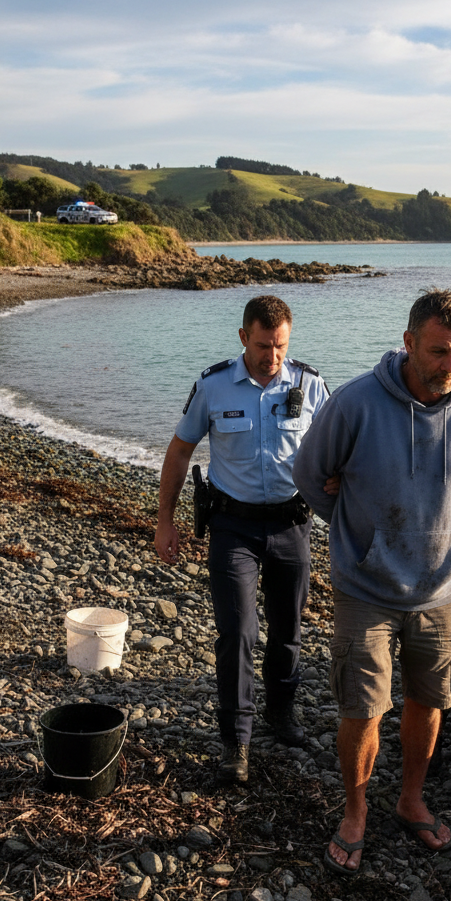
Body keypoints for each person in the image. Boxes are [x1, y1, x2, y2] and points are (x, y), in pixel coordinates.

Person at [292, 288, 451, 876]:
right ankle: (356, 811)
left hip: (443, 590)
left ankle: (411, 797)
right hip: (366, 588)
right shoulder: (356, 403)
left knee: (429, 701)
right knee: (362, 710)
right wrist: (356, 535)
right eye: (439, 352)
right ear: (408, 342)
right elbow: (310, 474)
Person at [154, 295, 329, 786]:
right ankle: (237, 739)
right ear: (242, 338)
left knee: (288, 628)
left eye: (280, 347)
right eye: (262, 346)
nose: (272, 357)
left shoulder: (311, 385)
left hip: (293, 524)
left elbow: (339, 450)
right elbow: (180, 450)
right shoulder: (212, 386)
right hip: (233, 528)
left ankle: (282, 712)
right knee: (237, 631)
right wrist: (164, 520)